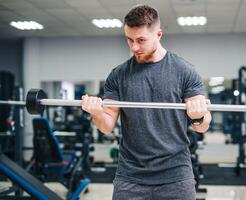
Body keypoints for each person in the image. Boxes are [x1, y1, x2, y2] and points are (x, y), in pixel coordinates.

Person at [81, 5, 212, 200]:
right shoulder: (118, 75)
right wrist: (97, 112)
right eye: (129, 40)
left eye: (141, 40)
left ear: (158, 34)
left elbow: (202, 125)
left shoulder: (184, 71)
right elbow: (107, 126)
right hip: (130, 177)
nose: (134, 47)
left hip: (176, 176)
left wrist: (198, 116)